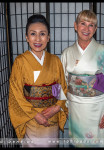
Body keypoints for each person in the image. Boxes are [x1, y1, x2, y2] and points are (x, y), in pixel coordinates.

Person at [61, 10, 104, 147]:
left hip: (99, 108)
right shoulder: (67, 53)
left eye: (91, 25)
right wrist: (62, 106)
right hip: (75, 107)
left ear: (95, 29)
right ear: (75, 26)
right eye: (83, 24)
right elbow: (61, 82)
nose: (86, 29)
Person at [8, 14, 68, 147]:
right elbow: (16, 94)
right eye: (33, 34)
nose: (38, 39)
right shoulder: (20, 62)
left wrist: (57, 107)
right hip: (31, 118)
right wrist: (35, 115)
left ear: (48, 37)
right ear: (26, 37)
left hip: (51, 116)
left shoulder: (55, 61)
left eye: (42, 34)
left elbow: (60, 88)